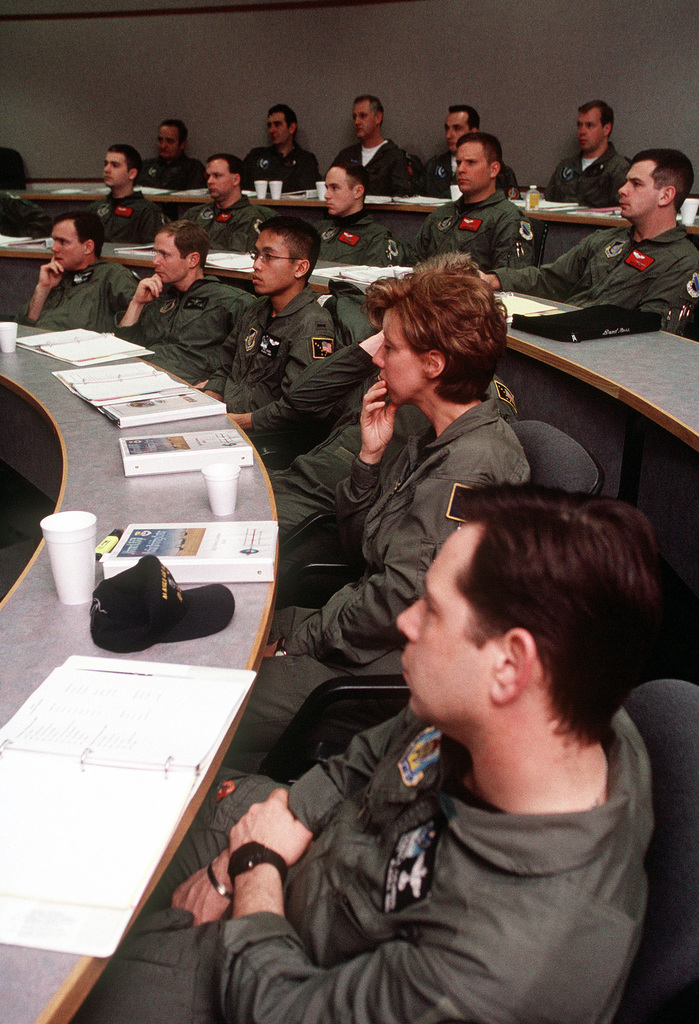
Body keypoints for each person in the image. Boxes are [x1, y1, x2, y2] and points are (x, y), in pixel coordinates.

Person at [73, 485, 660, 1024]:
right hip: (303, 839)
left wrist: (253, 868)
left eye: (431, 609)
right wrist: (285, 823)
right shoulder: (563, 699)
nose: (406, 621)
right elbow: (371, 754)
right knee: (111, 791)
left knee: (68, 984)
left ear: (509, 666)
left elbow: (290, 1012)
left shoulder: (500, 968)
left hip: (283, 963)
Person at [231, 262, 529, 754]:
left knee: (215, 700)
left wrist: (298, 642)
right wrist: (369, 459)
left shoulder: (469, 467)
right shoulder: (431, 436)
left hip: (385, 661)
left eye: (390, 348)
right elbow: (359, 547)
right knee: (227, 626)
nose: (379, 359)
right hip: (355, 620)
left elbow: (401, 601)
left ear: (433, 364)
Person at [484, 148, 699, 335]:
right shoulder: (606, 240)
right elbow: (550, 279)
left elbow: (653, 330)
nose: (622, 189)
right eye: (626, 181)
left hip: (602, 354)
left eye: (636, 184)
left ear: (665, 196)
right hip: (560, 330)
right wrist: (492, 280)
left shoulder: (682, 261)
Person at [203, 216, 335, 431]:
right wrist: (210, 400)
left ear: (300, 268)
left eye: (268, 257)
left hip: (266, 439)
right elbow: (226, 367)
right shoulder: (257, 308)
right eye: (256, 255)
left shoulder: (312, 325)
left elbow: (298, 408)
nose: (256, 265)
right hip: (228, 421)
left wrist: (238, 422)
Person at [116, 220, 255, 385]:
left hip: (186, 387)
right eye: (155, 253)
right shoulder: (159, 298)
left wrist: (216, 386)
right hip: (138, 378)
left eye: (164, 254)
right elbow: (123, 348)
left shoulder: (231, 302)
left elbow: (249, 363)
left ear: (193, 260)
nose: (155, 262)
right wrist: (137, 304)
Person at [414, 132, 534, 270]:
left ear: (493, 170)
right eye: (459, 163)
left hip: (475, 290)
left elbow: (510, 279)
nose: (461, 169)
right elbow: (414, 264)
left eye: (471, 162)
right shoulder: (441, 214)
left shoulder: (508, 219)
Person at [16, 211, 137, 332]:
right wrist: (43, 289)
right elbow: (23, 329)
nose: (53, 248)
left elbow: (136, 328)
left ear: (88, 247)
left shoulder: (113, 276)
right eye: (54, 241)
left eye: (63, 242)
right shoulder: (55, 275)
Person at [316, 160, 410, 266]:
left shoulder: (377, 239)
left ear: (358, 192)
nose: (326, 195)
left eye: (335, 188)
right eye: (327, 188)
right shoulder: (318, 229)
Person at [419, 104, 519, 199]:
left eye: (457, 128)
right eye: (447, 128)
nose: (449, 135)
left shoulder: (500, 172)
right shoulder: (433, 166)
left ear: (473, 133)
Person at [545, 100, 630, 208]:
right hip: (561, 224)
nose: (582, 132)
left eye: (590, 125)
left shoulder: (619, 168)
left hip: (600, 224)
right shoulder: (566, 166)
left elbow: (623, 210)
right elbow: (547, 202)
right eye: (579, 125)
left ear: (606, 129)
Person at [182, 153, 275, 251]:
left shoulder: (249, 217)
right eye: (208, 176)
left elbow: (235, 257)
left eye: (217, 176)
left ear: (235, 179)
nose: (210, 181)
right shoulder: (194, 213)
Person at [332, 95, 412, 197]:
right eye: (354, 117)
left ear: (378, 117)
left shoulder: (394, 156)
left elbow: (402, 196)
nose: (356, 122)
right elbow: (329, 185)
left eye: (362, 116)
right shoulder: (346, 155)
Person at [88, 144, 164, 244]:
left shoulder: (147, 212)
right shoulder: (94, 208)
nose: (106, 169)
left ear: (132, 174)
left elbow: (152, 250)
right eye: (106, 164)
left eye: (115, 165)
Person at [242, 105, 320, 193]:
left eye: (277, 124)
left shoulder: (305, 160)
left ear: (291, 128)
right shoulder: (256, 156)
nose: (272, 130)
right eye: (269, 125)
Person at [136, 119, 206, 191]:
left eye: (169, 141)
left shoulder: (194, 168)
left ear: (182, 144)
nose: (163, 146)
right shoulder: (145, 166)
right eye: (160, 140)